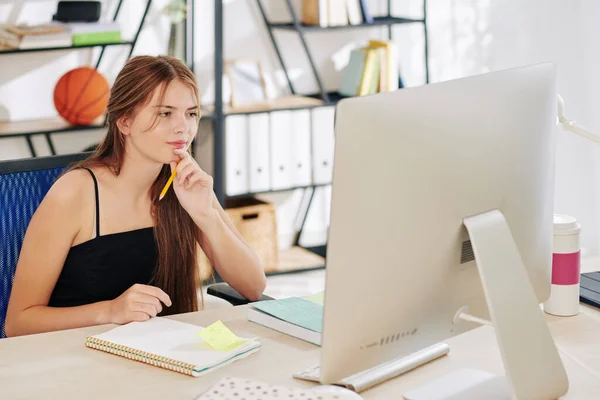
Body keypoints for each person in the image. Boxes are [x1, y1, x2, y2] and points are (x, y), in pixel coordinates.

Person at [5, 55, 266, 337]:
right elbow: (19, 323)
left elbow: (253, 287)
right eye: (165, 113)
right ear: (124, 121)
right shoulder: (75, 192)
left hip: (161, 355)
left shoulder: (186, 184)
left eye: (191, 114)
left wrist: (206, 216)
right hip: (76, 361)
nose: (183, 128)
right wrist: (110, 311)